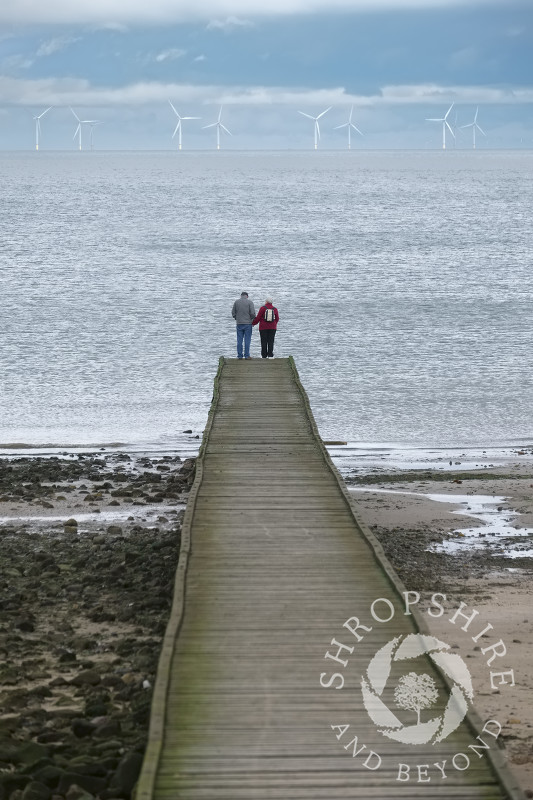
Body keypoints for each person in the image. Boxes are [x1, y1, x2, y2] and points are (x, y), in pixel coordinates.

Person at [231, 291, 256, 359]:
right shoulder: (250, 302)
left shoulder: (236, 302)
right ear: (247, 296)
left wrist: (237, 318)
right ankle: (247, 355)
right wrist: (252, 320)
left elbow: (233, 312)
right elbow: (252, 313)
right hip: (248, 324)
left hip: (239, 323)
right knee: (247, 340)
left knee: (239, 340)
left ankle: (239, 355)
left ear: (241, 296)